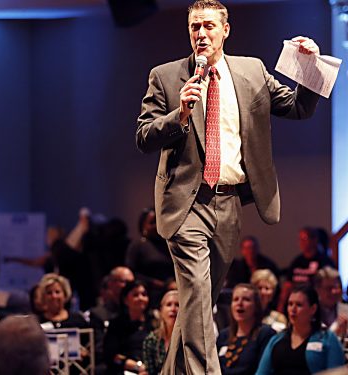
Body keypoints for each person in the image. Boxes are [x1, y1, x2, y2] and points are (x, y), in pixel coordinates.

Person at [136, 0, 325, 371]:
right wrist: (181, 114)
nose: (201, 34)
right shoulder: (166, 75)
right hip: (185, 204)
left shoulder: (251, 70)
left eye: (208, 26)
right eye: (194, 27)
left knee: (198, 305)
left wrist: (310, 67)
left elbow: (298, 107)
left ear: (225, 30)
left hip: (228, 203)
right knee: (196, 294)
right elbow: (144, 136)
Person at [255, 284, 344, 374]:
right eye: (290, 304)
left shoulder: (327, 338)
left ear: (313, 309)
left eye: (299, 305)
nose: (293, 309)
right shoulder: (277, 339)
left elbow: (337, 372)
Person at [217, 283, 275, 375]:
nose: (239, 303)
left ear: (256, 305)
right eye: (236, 299)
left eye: (246, 300)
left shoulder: (265, 334)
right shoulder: (224, 335)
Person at [126, 208, 175, 306]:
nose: (156, 225)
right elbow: (132, 273)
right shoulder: (137, 245)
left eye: (158, 222)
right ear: (143, 225)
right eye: (152, 222)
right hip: (147, 294)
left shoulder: (167, 245)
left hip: (170, 293)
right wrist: (159, 284)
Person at [104, 280, 155, 374]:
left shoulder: (154, 322)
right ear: (125, 300)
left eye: (144, 294)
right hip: (126, 371)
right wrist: (138, 367)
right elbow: (112, 356)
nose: (141, 298)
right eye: (135, 295)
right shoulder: (117, 325)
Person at [314, 266, 348, 339]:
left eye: (337, 287)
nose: (334, 292)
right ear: (317, 290)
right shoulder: (309, 313)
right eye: (329, 288)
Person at [142, 290, 180, 375]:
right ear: (161, 311)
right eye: (169, 304)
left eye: (177, 305)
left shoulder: (189, 340)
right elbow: (150, 372)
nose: (173, 309)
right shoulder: (151, 340)